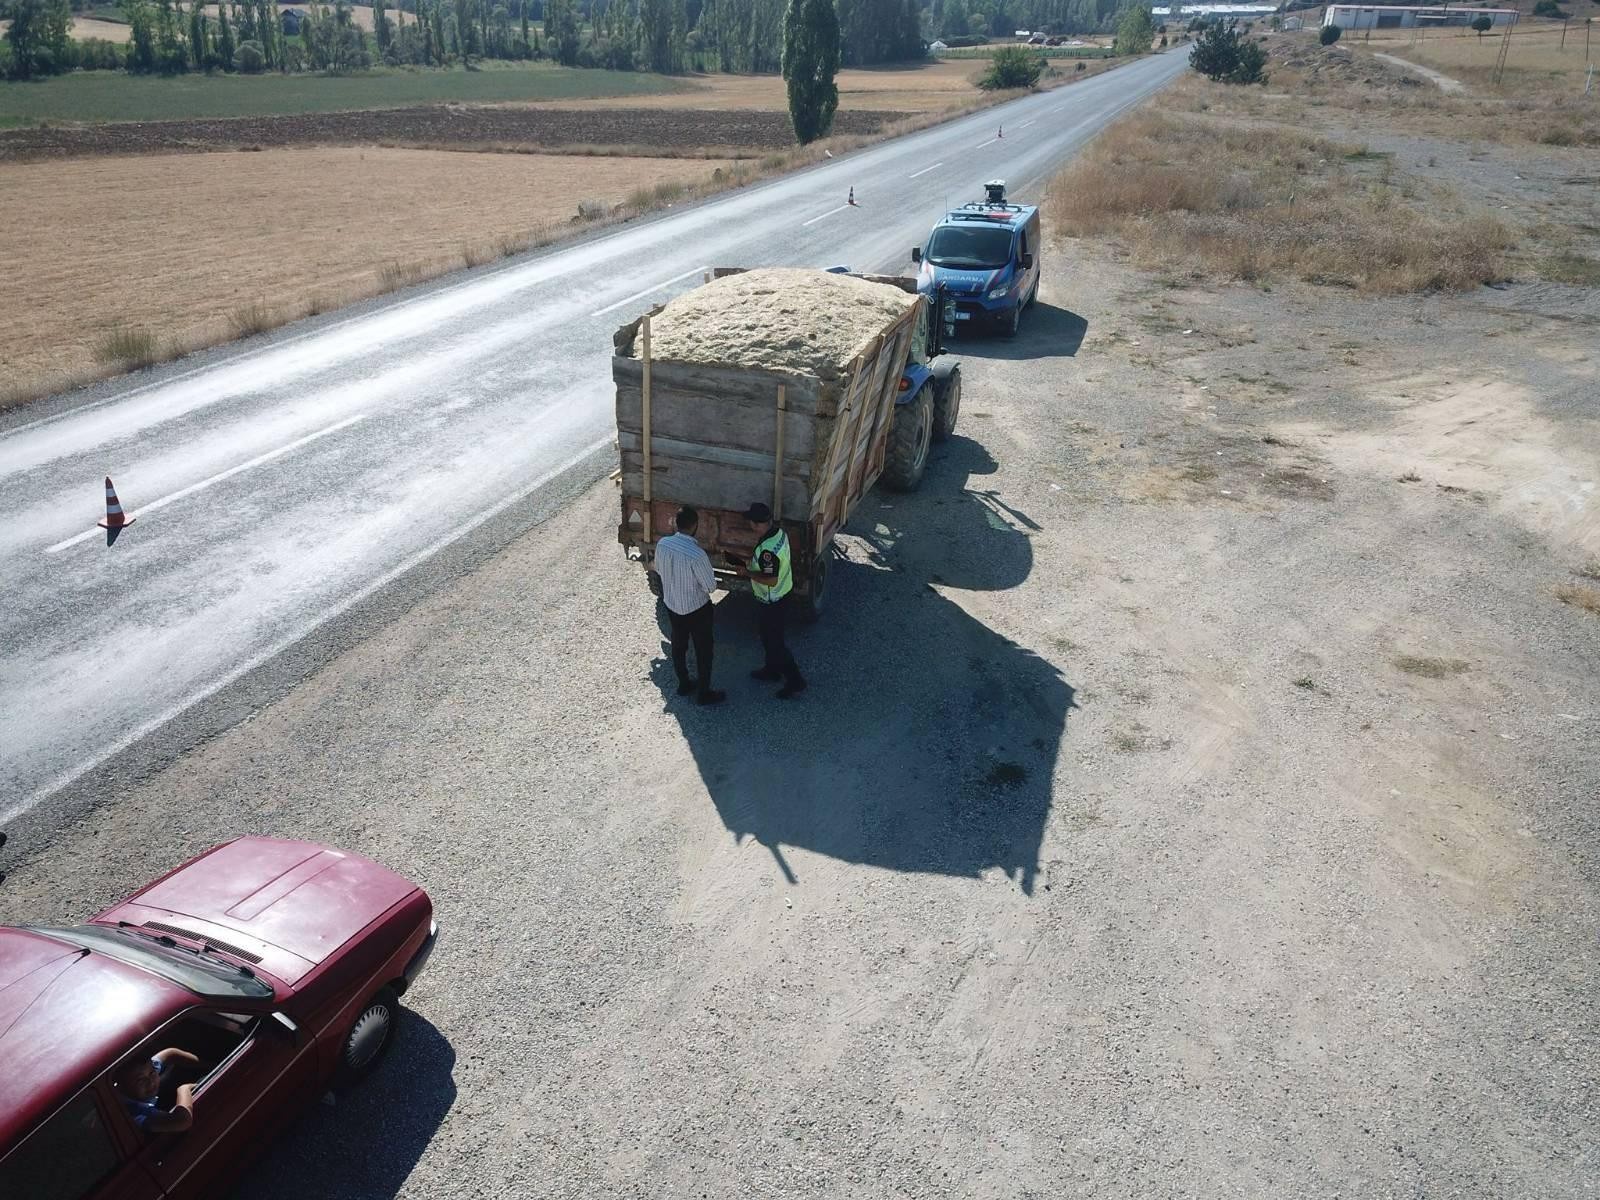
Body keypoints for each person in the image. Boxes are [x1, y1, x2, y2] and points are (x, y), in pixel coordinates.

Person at [652, 506, 726, 706]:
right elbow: (710, 587)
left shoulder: (663, 544)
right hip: (697, 609)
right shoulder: (697, 554)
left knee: (678, 644)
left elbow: (657, 568)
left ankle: (683, 683)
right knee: (703, 650)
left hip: (673, 605)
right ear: (695, 526)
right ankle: (704, 692)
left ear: (676, 523)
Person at [742, 502, 807, 699]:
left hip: (773, 600)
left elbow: (771, 580)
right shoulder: (779, 533)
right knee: (766, 635)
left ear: (756, 524)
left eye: (750, 522)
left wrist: (748, 573)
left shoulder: (767, 551)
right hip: (782, 593)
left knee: (776, 643)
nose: (749, 525)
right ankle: (771, 670)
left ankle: (796, 681)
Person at [117, 1047, 200, 1133]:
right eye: (141, 1080)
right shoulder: (133, 1114)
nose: (151, 1082)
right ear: (122, 1087)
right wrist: (184, 1089)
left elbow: (170, 1053)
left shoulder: (146, 1067)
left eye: (152, 1073)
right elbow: (183, 1121)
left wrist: (200, 1064)